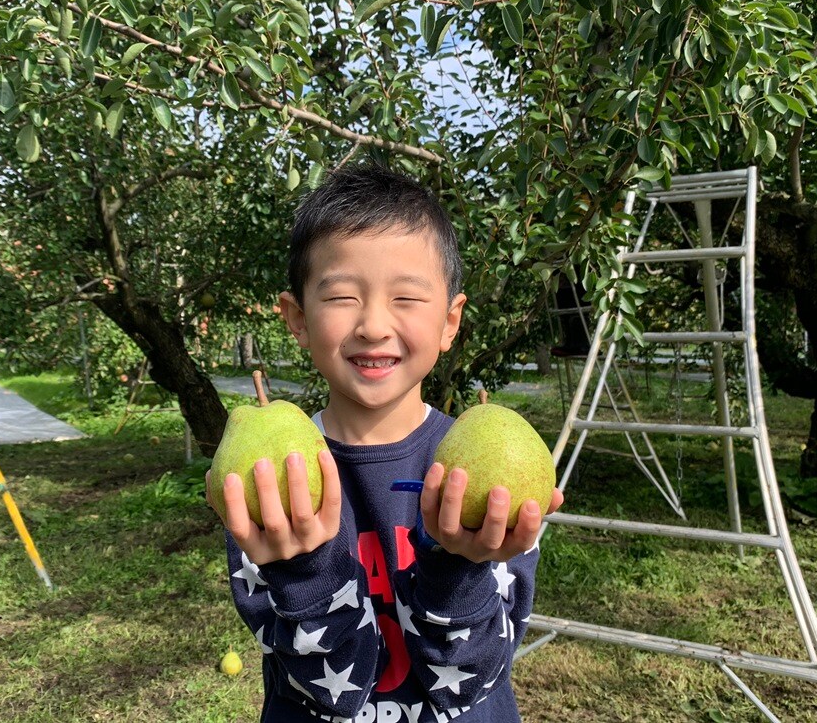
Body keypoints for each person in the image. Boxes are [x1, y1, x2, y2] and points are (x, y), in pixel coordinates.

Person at [206, 165, 564, 722]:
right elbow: (330, 691)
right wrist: (303, 571)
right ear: (298, 319)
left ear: (450, 322)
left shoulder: (485, 479)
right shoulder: (269, 482)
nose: (373, 325)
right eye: (342, 295)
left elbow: (472, 681)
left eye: (407, 297)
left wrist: (461, 569)